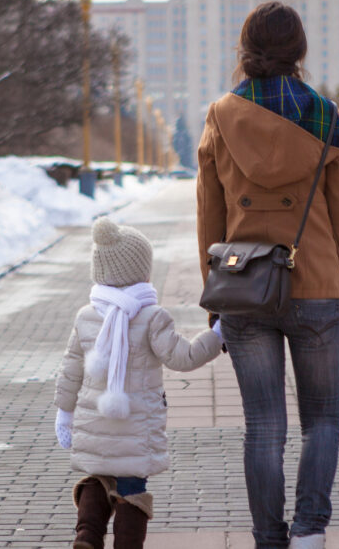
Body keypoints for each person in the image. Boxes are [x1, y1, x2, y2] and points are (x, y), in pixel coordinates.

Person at [195, 1, 339, 549]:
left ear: (246, 50)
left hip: (246, 289)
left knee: (263, 427)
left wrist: (215, 294)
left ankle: (269, 539)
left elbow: (210, 217)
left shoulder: (221, 116)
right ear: (299, 52)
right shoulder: (325, 116)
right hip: (317, 286)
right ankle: (309, 532)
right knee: (323, 422)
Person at [54, 217, 224, 549]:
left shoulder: (86, 315)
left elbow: (70, 368)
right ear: (140, 273)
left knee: (96, 479)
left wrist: (64, 413)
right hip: (136, 427)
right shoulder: (151, 317)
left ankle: (87, 536)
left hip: (93, 423)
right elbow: (183, 357)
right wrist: (217, 336)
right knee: (132, 489)